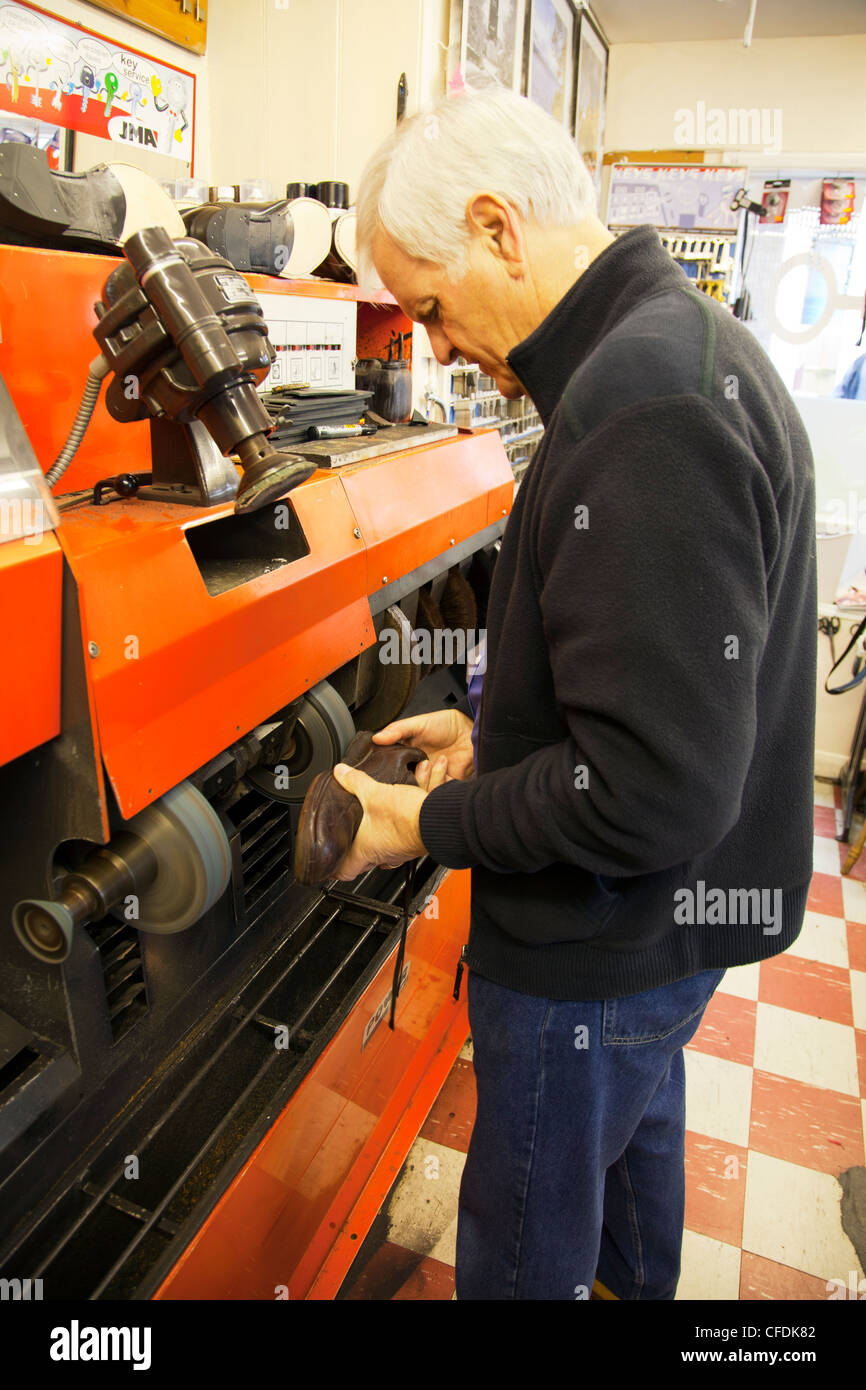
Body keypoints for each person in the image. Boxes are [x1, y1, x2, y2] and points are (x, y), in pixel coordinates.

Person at [331, 87, 817, 1300]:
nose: (434, 347)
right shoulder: (674, 342)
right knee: (633, 1144)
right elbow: (643, 669)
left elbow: (645, 788)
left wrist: (424, 821)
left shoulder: (638, 404)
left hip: (598, 941)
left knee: (524, 1237)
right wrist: (493, 723)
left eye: (430, 308)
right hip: (661, 935)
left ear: (498, 226)